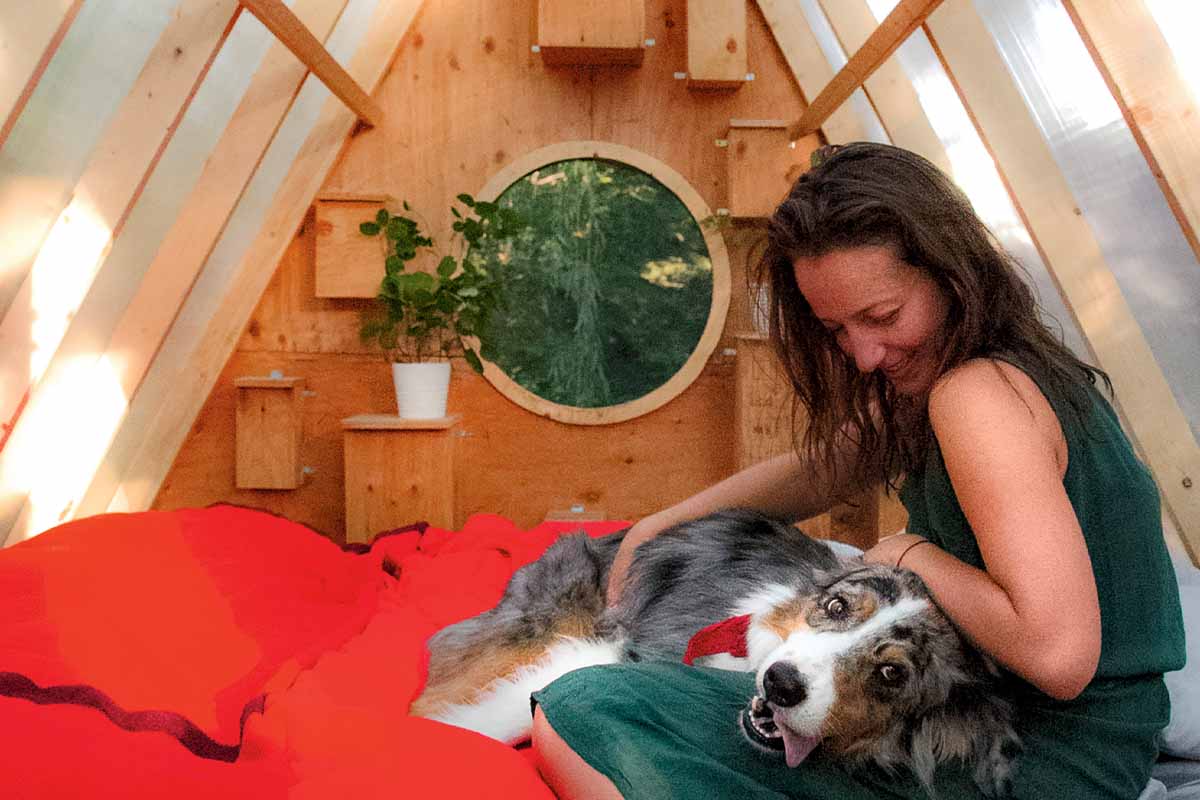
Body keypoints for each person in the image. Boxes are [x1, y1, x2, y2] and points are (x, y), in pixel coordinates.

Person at [529, 142, 1185, 799]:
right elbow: (829, 466)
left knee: (583, 707)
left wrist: (911, 552)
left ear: (952, 273)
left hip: (1034, 756)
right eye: (836, 329)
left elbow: (1059, 657)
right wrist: (663, 525)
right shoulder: (983, 373)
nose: (864, 354)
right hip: (1045, 736)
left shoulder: (977, 396)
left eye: (882, 317)